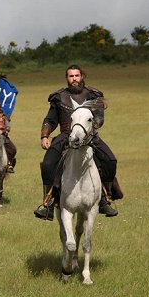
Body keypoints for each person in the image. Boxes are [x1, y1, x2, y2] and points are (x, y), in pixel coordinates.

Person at [34, 64, 120, 221]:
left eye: (77, 76)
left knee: (110, 160)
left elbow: (99, 119)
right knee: (47, 164)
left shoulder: (94, 95)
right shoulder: (59, 97)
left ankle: (105, 199)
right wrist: (44, 135)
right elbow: (51, 119)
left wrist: (90, 129)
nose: (74, 79)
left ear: (82, 77)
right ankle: (49, 203)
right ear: (67, 78)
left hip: (89, 136)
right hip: (65, 135)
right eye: (71, 76)